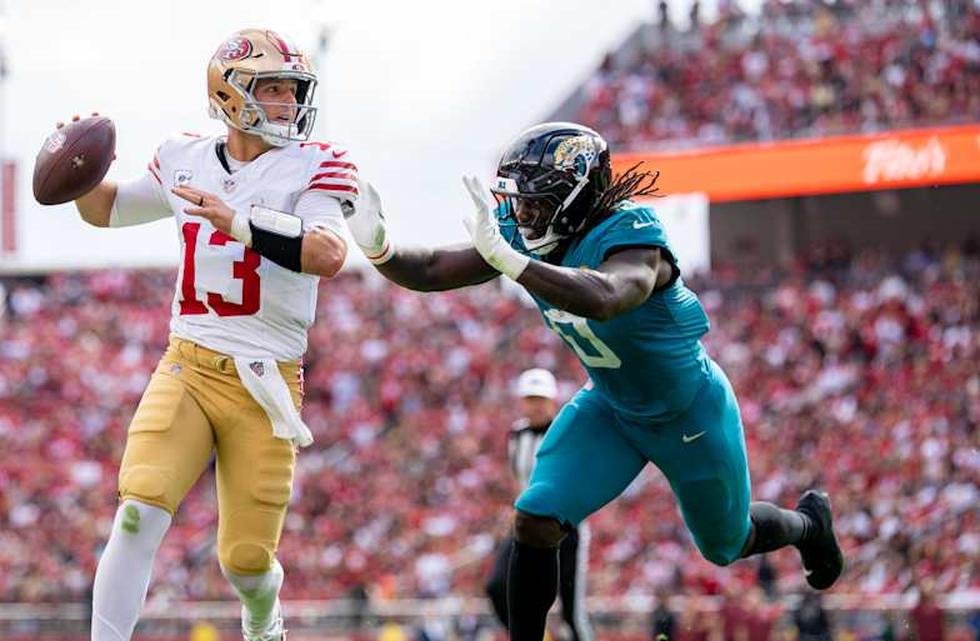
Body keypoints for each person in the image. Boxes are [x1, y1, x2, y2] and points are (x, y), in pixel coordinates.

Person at [346, 121, 844, 641]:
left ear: (576, 197)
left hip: (688, 411)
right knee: (535, 516)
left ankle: (808, 524)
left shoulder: (632, 233)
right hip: (611, 408)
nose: (522, 217)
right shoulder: (522, 235)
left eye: (536, 203)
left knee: (726, 544)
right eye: (519, 205)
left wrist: (514, 264)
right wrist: (380, 248)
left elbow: (608, 296)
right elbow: (430, 269)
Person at [63, 28, 357, 641]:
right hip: (190, 362)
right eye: (272, 89)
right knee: (139, 510)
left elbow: (329, 253)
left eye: (291, 89)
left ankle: (262, 615)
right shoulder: (184, 157)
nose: (287, 102)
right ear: (231, 94)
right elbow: (106, 210)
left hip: (265, 383)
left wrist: (241, 223)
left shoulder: (317, 163)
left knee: (246, 562)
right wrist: (79, 169)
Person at [486, 368, 593, 641]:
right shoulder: (517, 435)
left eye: (540, 399)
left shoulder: (565, 431)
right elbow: (517, 479)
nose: (535, 405)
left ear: (552, 400)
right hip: (526, 523)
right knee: (498, 586)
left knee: (571, 612)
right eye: (530, 398)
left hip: (565, 526)